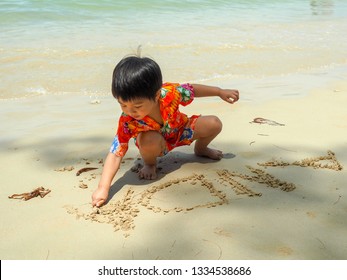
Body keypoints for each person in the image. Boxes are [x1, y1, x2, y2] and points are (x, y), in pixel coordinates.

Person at [92, 55, 239, 207]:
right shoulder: (127, 121)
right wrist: (103, 188)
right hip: (154, 144)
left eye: (137, 106)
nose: (130, 111)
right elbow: (116, 153)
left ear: (156, 95)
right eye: (123, 105)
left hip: (181, 131)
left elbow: (192, 90)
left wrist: (219, 92)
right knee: (149, 140)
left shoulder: (169, 94)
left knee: (214, 123)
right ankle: (150, 164)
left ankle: (201, 149)